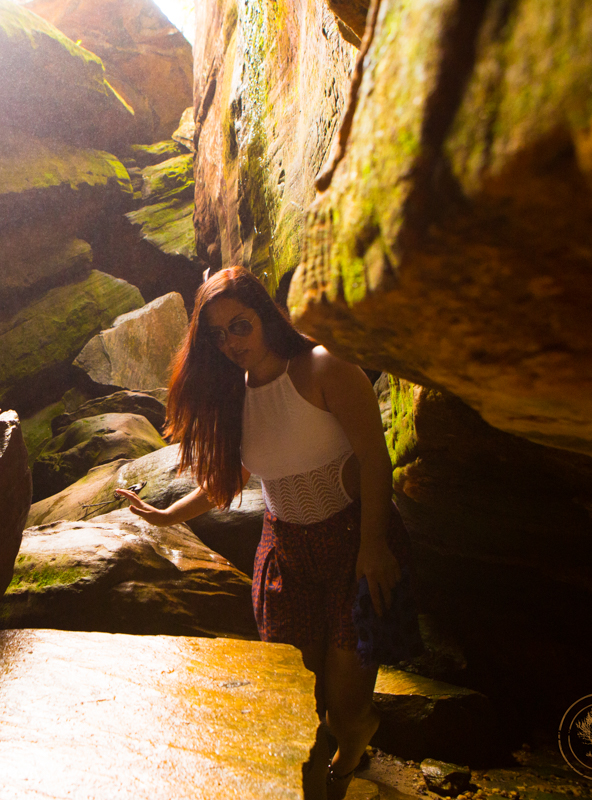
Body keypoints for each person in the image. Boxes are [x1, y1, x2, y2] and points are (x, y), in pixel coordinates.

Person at [116, 266, 421, 800]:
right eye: (217, 334)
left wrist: (374, 546)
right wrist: (165, 517)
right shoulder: (234, 396)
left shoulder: (325, 367)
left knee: (346, 708)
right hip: (286, 554)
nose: (230, 343)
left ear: (265, 316)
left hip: (353, 544)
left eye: (240, 326)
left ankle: (354, 748)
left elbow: (377, 458)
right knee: (300, 699)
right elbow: (229, 480)